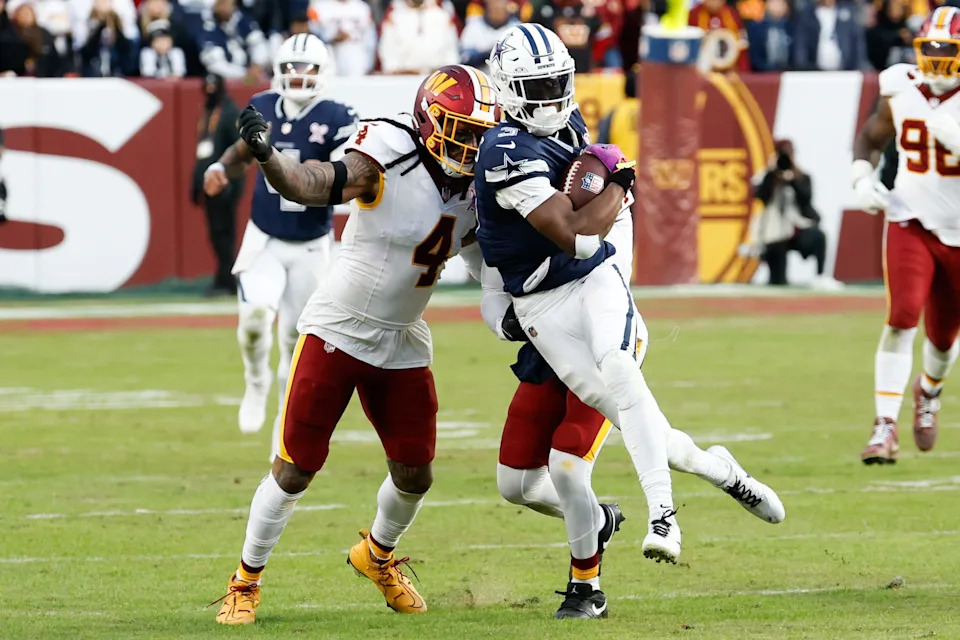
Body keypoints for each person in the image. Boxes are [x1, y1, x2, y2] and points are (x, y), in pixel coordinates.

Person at [211, 64, 501, 625]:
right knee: (295, 468)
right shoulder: (387, 151)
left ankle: (377, 555)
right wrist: (269, 157)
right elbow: (310, 183)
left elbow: (483, 260)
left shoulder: (482, 181)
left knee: (416, 474)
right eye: (462, 131)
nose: (471, 145)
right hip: (339, 327)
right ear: (431, 121)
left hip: (404, 338)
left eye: (478, 133)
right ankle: (245, 580)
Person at [476, 24, 677, 611]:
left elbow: (583, 235)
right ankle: (610, 515)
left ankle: (587, 584)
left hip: (590, 303)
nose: (551, 96)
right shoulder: (502, 150)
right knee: (515, 483)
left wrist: (610, 195)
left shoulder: (567, 129)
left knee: (568, 466)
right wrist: (618, 183)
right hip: (545, 317)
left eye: (558, 83)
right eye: (537, 85)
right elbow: (556, 230)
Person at [204, 34, 358, 457]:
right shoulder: (264, 105)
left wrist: (301, 167)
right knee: (254, 318)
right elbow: (242, 150)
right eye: (291, 66)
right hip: (266, 237)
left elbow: (339, 174)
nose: (297, 74)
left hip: (311, 244)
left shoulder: (339, 116)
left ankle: (282, 422)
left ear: (322, 71)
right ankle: (256, 383)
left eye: (306, 67)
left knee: (295, 344)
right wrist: (221, 166)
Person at [850, 6, 960, 465]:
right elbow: (872, 136)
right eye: (930, 49)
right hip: (908, 217)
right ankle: (884, 426)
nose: (936, 59)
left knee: (942, 338)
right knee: (902, 316)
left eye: (947, 50)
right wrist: (861, 175)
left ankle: (928, 391)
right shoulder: (899, 83)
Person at [746, 139, 842, 289]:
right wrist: (772, 173)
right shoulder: (765, 176)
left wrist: (793, 180)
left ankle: (821, 276)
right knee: (778, 282)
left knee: (818, 236)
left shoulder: (802, 176)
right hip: (774, 233)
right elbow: (761, 196)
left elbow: (806, 199)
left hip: (797, 228)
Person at [192, 74, 243, 297]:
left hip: (224, 183)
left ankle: (227, 279)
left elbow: (239, 152)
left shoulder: (230, 112)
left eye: (214, 85)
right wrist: (195, 183)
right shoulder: (208, 111)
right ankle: (223, 277)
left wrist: (231, 183)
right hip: (209, 182)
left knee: (224, 233)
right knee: (216, 233)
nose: (211, 90)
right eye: (208, 85)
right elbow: (203, 154)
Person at [378, 0, 459, 74]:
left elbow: (451, 50)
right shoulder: (395, 17)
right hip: (403, 76)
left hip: (436, 77)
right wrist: (393, 70)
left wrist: (450, 70)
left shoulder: (443, 16)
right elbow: (388, 50)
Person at [196, 0, 269, 81]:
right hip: (223, 81)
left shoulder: (242, 20)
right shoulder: (207, 28)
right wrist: (244, 74)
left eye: (227, 3)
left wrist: (257, 64)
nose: (223, 7)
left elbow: (258, 43)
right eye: (220, 3)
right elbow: (215, 65)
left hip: (249, 77)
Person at [308, 0, 377, 76]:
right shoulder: (318, 6)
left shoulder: (362, 7)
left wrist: (370, 64)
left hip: (356, 53)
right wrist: (330, 38)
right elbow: (312, 33)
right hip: (328, 52)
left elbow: (370, 38)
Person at [793, 0, 867, 71]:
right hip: (815, 73)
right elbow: (801, 46)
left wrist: (857, 69)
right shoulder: (807, 15)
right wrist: (803, 69)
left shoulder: (848, 12)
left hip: (844, 72)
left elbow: (857, 44)